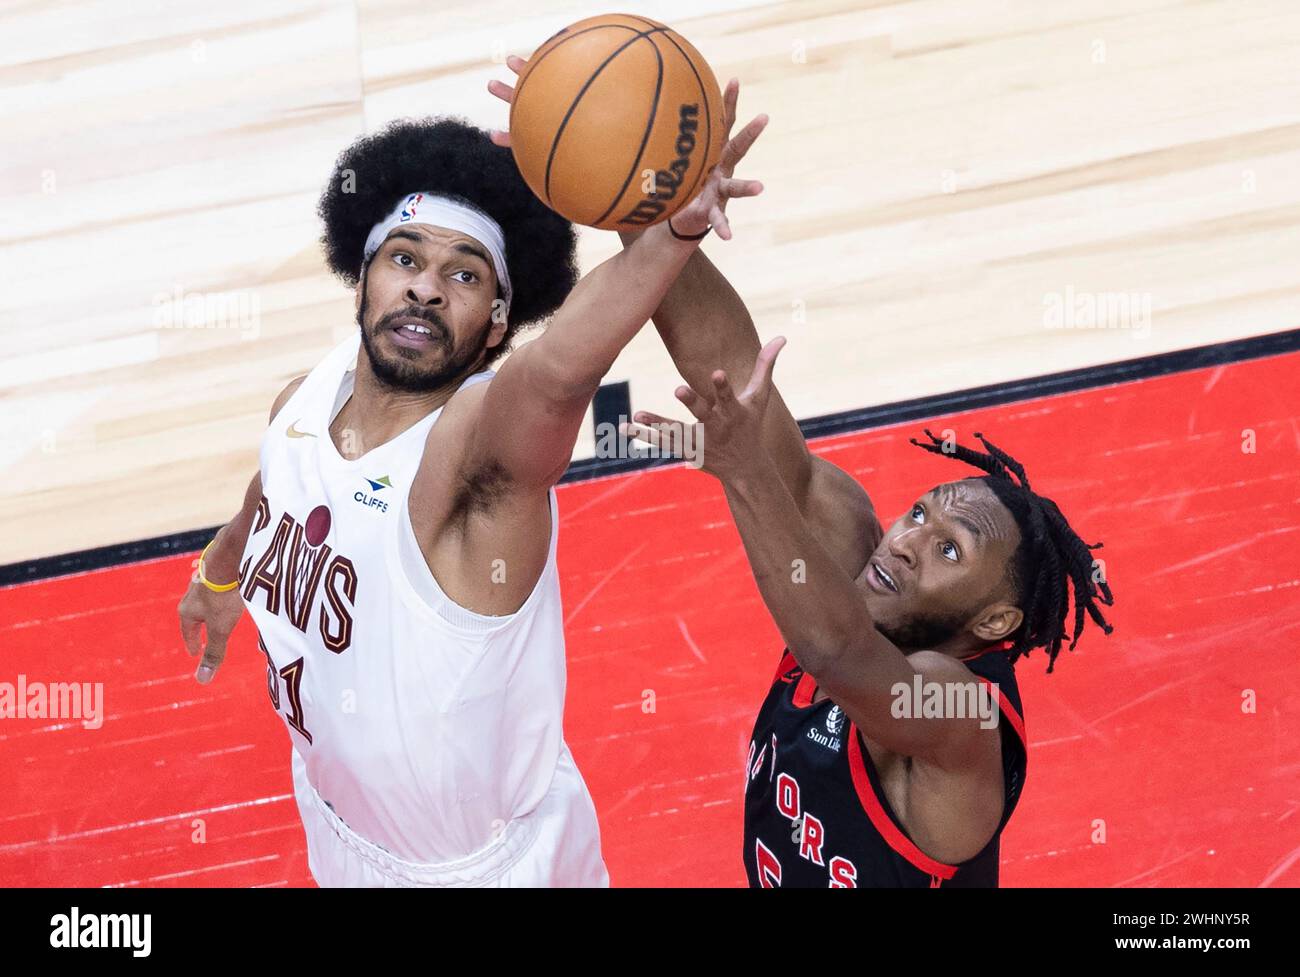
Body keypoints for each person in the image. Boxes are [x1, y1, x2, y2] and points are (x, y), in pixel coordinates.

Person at [176, 85, 767, 887]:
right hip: (338, 829)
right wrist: (220, 574)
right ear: (364, 280)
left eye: (464, 275)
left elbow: (558, 372)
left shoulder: (473, 455)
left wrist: (673, 232)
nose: (426, 287)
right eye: (406, 258)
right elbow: (269, 491)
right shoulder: (303, 401)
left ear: (496, 322)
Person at [622, 95, 1114, 884]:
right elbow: (732, 370)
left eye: (950, 548)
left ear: (994, 618)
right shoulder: (854, 545)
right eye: (922, 513)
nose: (908, 539)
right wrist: (650, 215)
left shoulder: (962, 718)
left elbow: (838, 649)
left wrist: (745, 473)